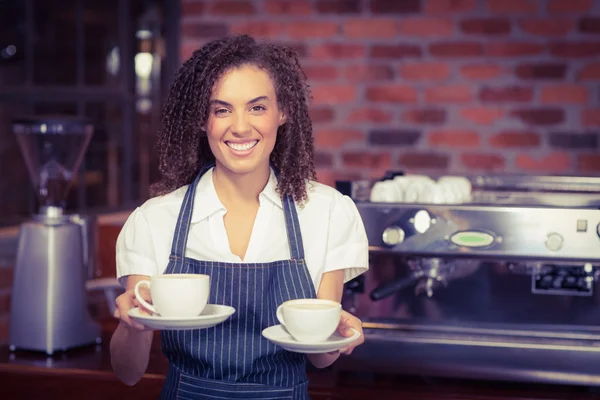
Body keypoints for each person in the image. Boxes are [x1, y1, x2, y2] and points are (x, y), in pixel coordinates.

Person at [110, 34, 369, 399]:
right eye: (222, 109)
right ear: (203, 121)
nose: (241, 127)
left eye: (257, 108)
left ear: (284, 112)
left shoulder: (328, 213)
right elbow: (128, 373)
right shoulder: (155, 220)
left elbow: (322, 359)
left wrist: (337, 335)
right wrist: (131, 326)